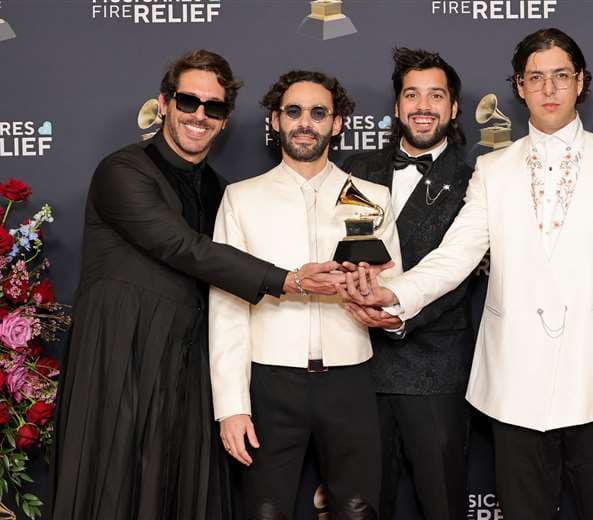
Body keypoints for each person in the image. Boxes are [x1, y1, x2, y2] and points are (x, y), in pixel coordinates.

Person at [343, 28, 593, 519]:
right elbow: (454, 256)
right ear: (519, 86)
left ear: (580, 82)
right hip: (514, 387)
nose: (548, 88)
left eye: (560, 76)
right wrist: (394, 295)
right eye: (536, 77)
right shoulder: (493, 169)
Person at [49, 50, 343, 520]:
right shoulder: (122, 171)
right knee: (111, 491)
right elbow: (183, 247)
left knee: (184, 496)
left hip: (189, 369)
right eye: (188, 102)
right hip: (119, 361)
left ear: (224, 121)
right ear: (165, 103)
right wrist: (287, 280)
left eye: (214, 107)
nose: (199, 115)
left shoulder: (222, 192)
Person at [208, 70, 402, 520]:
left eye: (318, 113)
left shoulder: (373, 198)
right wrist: (232, 407)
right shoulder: (241, 199)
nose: (305, 123)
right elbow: (226, 309)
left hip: (350, 380)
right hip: (270, 383)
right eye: (293, 112)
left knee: (358, 510)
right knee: (264, 511)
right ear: (276, 120)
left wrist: (387, 310)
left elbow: (396, 291)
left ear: (337, 123)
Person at [341, 47, 476, 520]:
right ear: (397, 106)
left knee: (441, 504)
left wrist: (398, 319)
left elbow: (460, 272)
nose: (423, 106)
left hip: (434, 370)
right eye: (412, 94)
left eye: (436, 96)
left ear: (453, 108)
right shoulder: (354, 169)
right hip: (357, 366)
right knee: (360, 506)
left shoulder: (476, 180)